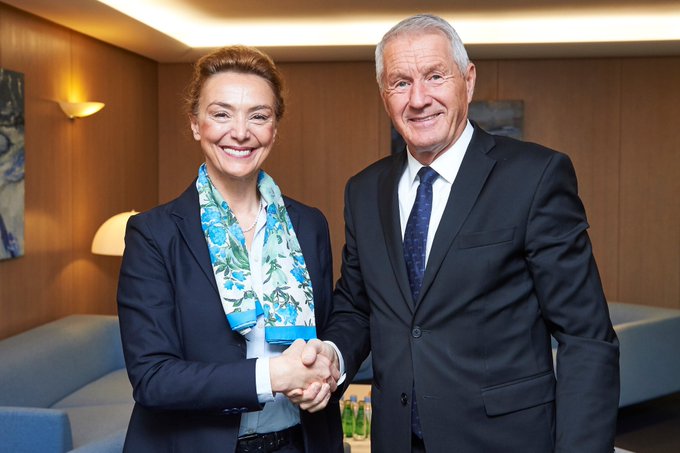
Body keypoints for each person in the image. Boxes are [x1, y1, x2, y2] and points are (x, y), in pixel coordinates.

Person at [298, 13, 620, 453]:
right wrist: (332, 357)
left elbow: (586, 337)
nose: (419, 99)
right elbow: (357, 305)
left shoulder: (535, 176)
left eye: (435, 76)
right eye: (400, 83)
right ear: (384, 95)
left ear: (468, 81)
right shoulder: (364, 190)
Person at [117, 45, 343, 453]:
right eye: (222, 114)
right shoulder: (153, 234)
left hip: (300, 442)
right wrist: (273, 375)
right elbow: (153, 377)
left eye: (259, 116)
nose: (240, 132)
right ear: (195, 124)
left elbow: (327, 337)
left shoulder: (309, 225)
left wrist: (324, 374)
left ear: (275, 128)